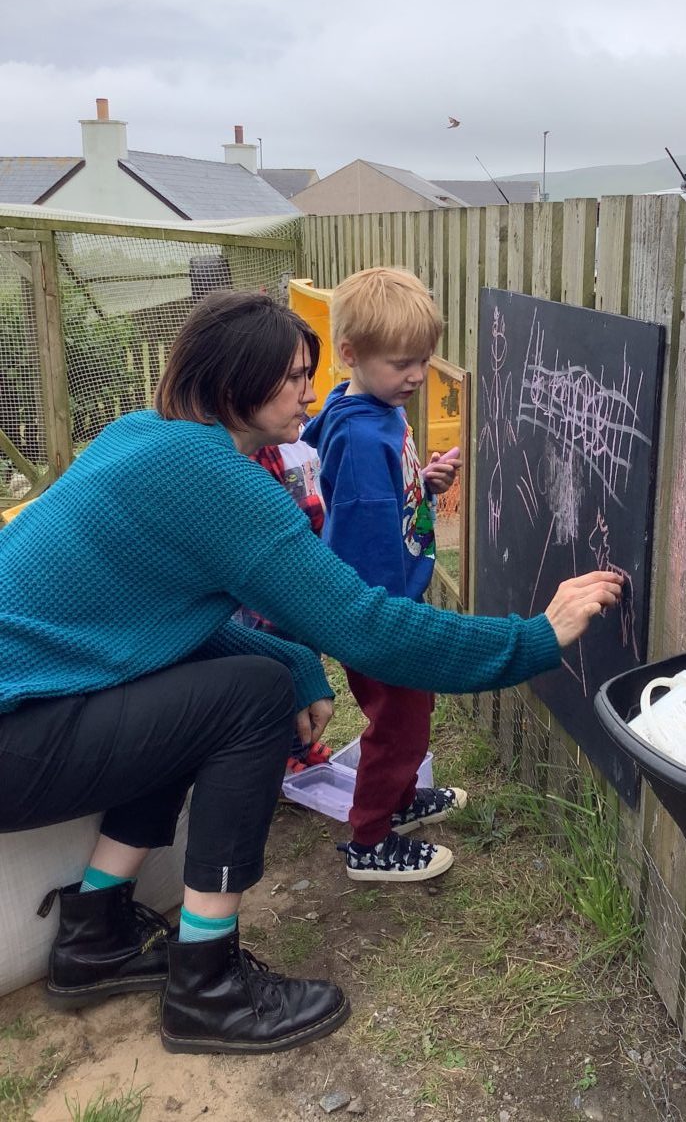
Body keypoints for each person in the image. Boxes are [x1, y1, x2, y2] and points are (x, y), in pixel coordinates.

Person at [0, 289, 623, 1058]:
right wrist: (534, 637)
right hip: (16, 733)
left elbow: (137, 626)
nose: (309, 390)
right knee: (250, 701)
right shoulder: (221, 485)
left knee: (225, 688)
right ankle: (206, 986)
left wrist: (291, 659)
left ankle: (93, 937)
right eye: (294, 376)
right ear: (235, 385)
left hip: (29, 709)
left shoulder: (139, 435)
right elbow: (367, 627)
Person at [303, 267, 466, 883]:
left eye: (423, 360)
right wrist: (395, 625)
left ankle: (399, 803)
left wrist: (422, 485)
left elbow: (383, 502)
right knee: (398, 726)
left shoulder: (375, 407)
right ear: (351, 354)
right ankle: (370, 840)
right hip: (381, 612)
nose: (418, 376)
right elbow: (362, 544)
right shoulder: (362, 437)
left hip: (390, 602)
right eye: (403, 363)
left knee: (408, 716)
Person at [232, 435, 333, 773]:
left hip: (307, 586)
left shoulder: (308, 435)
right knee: (273, 677)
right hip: (269, 605)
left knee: (305, 660)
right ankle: (275, 763)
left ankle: (298, 748)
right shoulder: (257, 452)